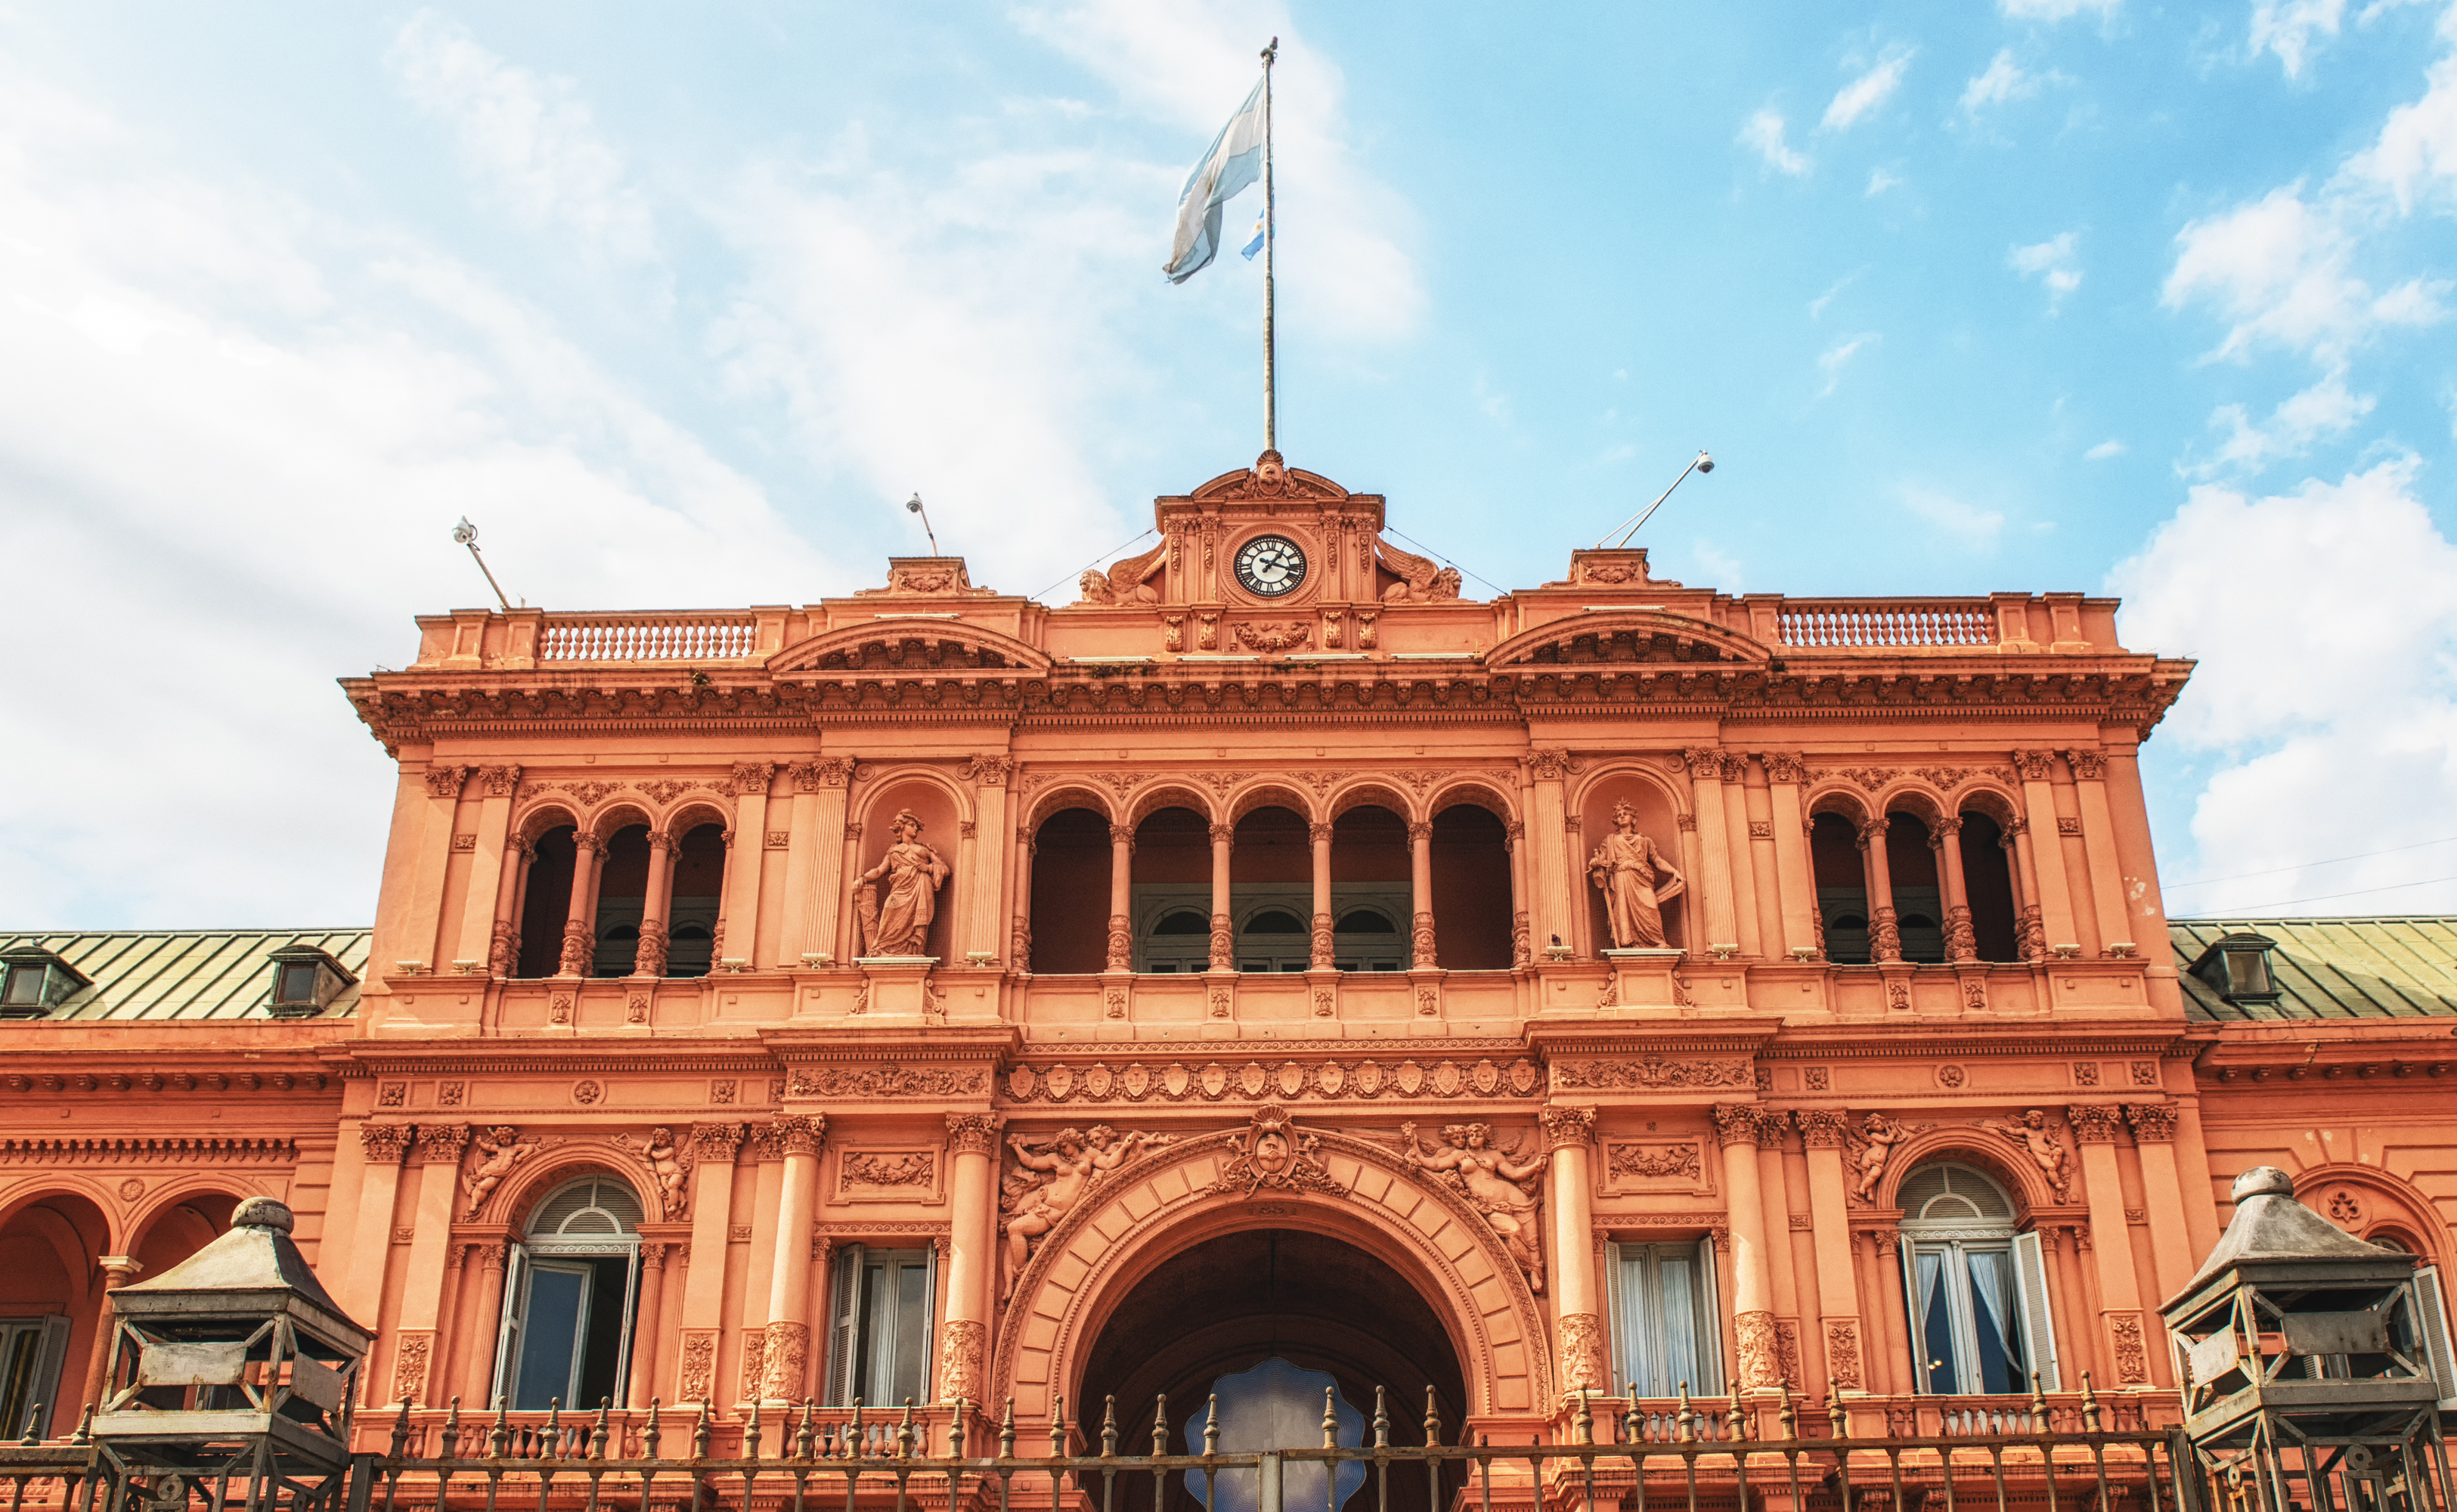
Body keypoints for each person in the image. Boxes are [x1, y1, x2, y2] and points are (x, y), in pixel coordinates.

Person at [1402, 1122, 1550, 1291]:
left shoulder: (1494, 1155)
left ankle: (1534, 1271)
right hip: (1487, 1206)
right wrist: (1413, 1144)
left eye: (1478, 1135)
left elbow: (1514, 1174)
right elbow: (1434, 1165)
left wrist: (1534, 1167)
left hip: (1512, 1196)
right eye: (1471, 1134)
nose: (1473, 1137)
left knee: (1532, 1239)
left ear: (1484, 1138)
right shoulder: (1460, 1155)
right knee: (1514, 1230)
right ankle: (1528, 1266)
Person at [1587, 801, 1685, 949]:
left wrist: (1674, 872)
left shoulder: (1645, 841)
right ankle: (1628, 943)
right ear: (1615, 820)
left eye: (1625, 814)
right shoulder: (1610, 841)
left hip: (1642, 879)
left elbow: (1657, 861)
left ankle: (1657, 941)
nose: (1622, 817)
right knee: (1623, 912)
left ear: (1633, 819)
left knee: (1650, 908)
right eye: (1619, 815)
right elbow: (1602, 860)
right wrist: (1595, 862)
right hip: (1622, 879)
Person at [855, 809, 950, 956]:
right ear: (902, 827)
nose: (916, 828)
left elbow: (946, 870)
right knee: (889, 909)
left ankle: (913, 950)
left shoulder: (925, 850)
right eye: (912, 825)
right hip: (900, 889)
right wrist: (863, 878)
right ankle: (883, 949)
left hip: (920, 888)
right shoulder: (893, 851)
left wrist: (929, 867)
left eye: (916, 826)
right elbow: (880, 870)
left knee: (918, 921)